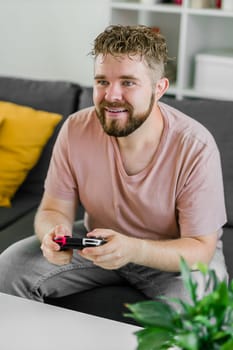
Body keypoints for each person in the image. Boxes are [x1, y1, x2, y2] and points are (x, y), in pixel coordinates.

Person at [0, 25, 228, 304]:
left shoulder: (195, 146)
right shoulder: (75, 129)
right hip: (96, 245)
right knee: (8, 268)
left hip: (174, 256)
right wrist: (53, 234)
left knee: (199, 308)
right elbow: (53, 208)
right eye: (102, 82)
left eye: (128, 82)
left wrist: (133, 250)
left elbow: (200, 247)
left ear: (159, 88)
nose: (112, 95)